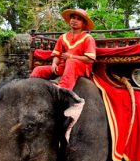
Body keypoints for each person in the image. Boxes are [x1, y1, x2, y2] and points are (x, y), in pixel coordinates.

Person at [30, 8, 95, 138]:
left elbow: (90, 58)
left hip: (80, 66)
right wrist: (54, 63)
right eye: (73, 18)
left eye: (78, 19)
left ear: (83, 23)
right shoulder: (63, 37)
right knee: (38, 70)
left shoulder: (88, 38)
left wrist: (72, 57)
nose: (74, 21)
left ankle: (62, 95)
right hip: (63, 65)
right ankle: (32, 92)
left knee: (71, 63)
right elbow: (57, 54)